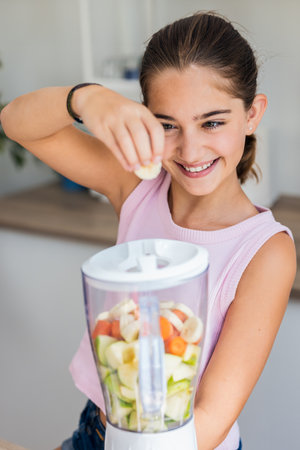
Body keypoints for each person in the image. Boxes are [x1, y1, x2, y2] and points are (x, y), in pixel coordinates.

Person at [0, 11, 296, 450]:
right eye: (167, 125)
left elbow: (210, 420)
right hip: (96, 432)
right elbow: (15, 122)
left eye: (212, 122)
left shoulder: (265, 252)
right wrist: (88, 99)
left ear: (252, 114)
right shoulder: (138, 188)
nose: (190, 149)